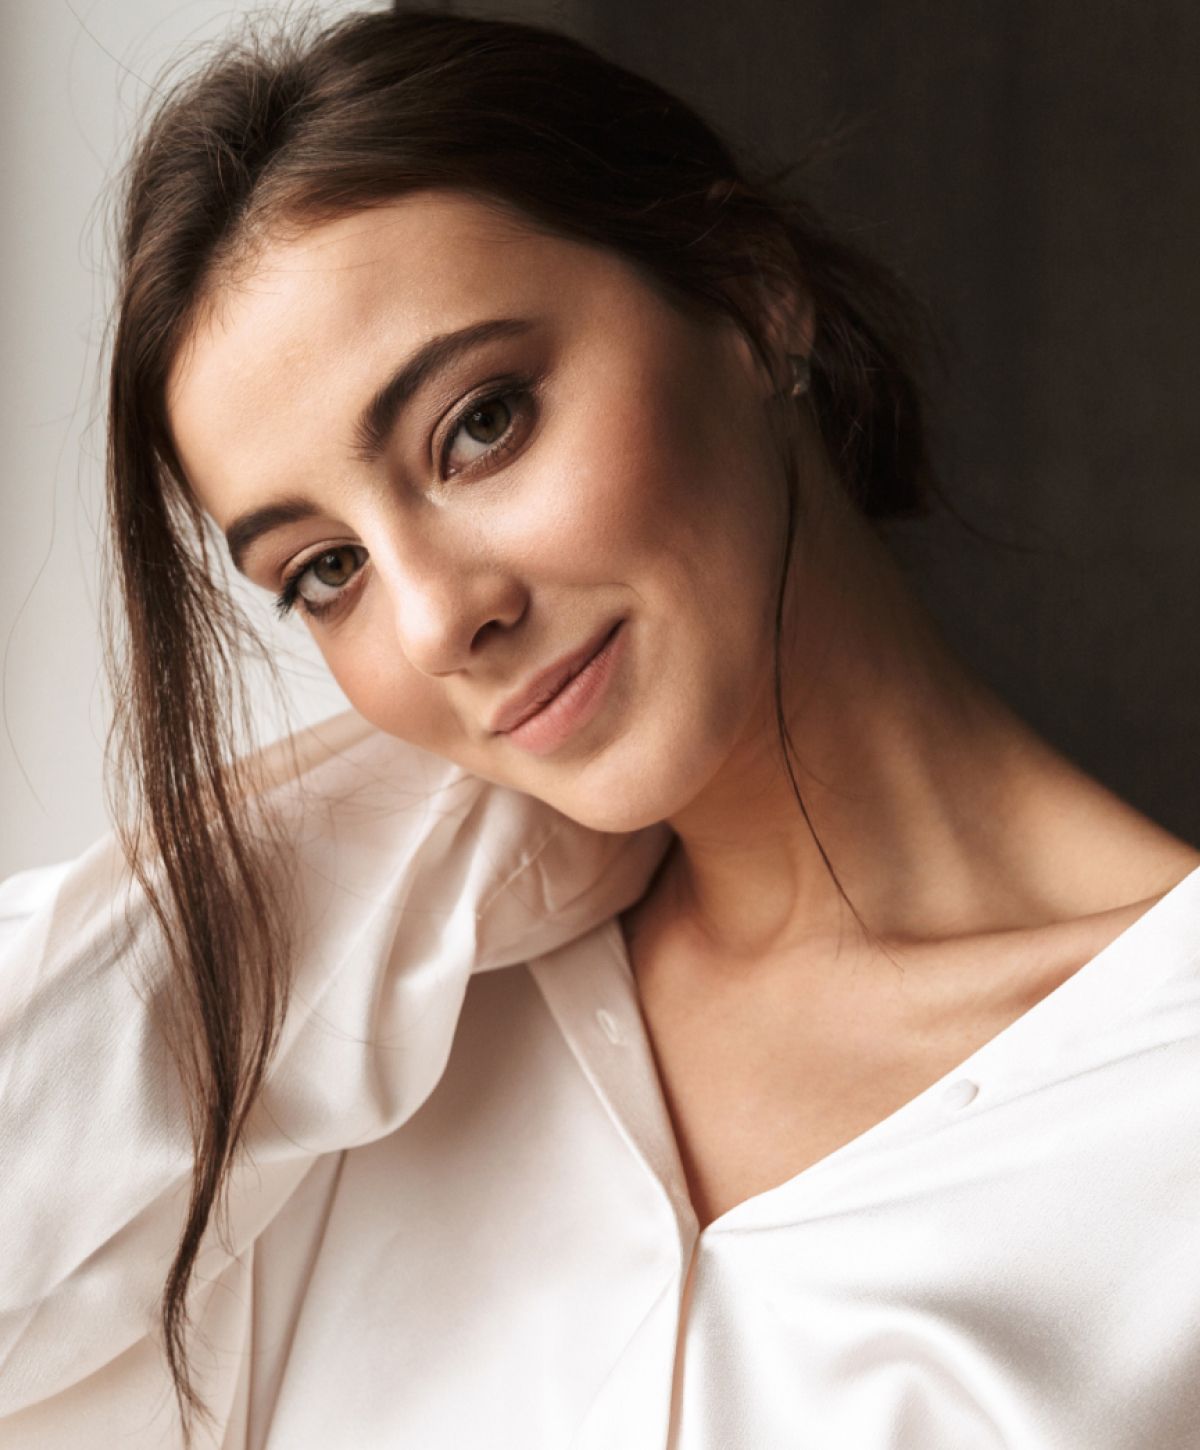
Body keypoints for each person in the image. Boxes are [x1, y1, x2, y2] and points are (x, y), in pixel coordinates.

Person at [2, 7, 1198, 1448]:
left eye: (482, 422)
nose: (437, 619)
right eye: (326, 571)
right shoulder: (354, 1075)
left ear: (751, 296)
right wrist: (324, 880)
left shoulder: (1159, 1106)